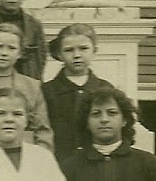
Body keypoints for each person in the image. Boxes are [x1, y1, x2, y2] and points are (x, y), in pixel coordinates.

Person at [0, 23, 53, 150]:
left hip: (25, 156)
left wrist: (40, 158)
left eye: (11, 48)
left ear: (20, 53)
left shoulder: (32, 86)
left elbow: (43, 130)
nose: (4, 53)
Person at [42, 24, 114, 162]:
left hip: (96, 163)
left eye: (83, 48)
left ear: (94, 51)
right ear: (59, 54)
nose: (77, 55)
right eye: (69, 50)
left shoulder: (104, 89)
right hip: (59, 162)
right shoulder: (47, 91)